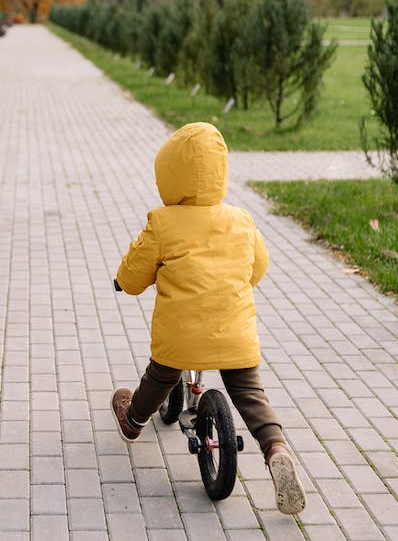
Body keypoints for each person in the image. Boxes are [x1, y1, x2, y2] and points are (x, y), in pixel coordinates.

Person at [111, 122, 306, 515]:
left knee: (158, 376)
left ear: (168, 174)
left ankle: (132, 421)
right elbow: (258, 268)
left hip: (180, 338)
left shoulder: (163, 223)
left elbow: (133, 275)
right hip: (235, 336)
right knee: (250, 393)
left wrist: (122, 281)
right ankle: (276, 449)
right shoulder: (240, 219)